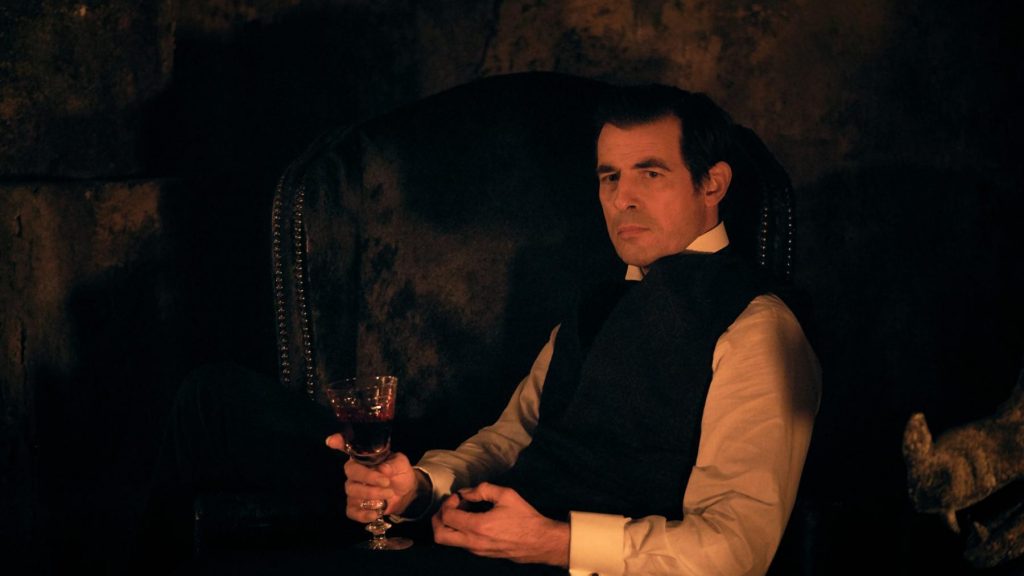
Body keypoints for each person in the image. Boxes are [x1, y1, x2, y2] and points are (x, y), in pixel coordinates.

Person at [332, 85, 821, 576]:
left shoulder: (757, 325)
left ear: (712, 185)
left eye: (650, 174)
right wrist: (419, 487)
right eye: (610, 177)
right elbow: (510, 439)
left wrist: (557, 543)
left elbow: (737, 548)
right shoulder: (593, 307)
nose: (621, 199)